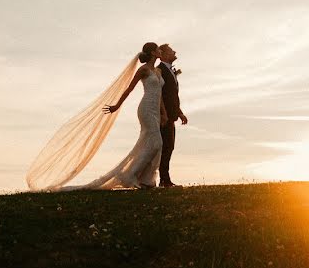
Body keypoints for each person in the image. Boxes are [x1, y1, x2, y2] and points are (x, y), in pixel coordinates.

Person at [25, 42, 166, 191]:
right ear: (152, 53)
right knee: (156, 142)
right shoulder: (143, 70)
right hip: (145, 110)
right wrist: (117, 105)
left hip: (156, 111)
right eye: (157, 49)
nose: (160, 51)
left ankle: (145, 179)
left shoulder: (158, 71)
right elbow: (129, 89)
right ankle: (129, 175)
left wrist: (164, 113)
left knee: (153, 144)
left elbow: (160, 95)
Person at [156, 43, 187, 187]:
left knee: (169, 146)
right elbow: (160, 94)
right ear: (163, 54)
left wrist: (180, 113)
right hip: (164, 116)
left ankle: (165, 178)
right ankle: (164, 179)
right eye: (171, 50)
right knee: (166, 146)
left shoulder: (170, 71)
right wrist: (164, 114)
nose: (174, 51)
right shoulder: (160, 70)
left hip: (172, 114)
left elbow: (173, 95)